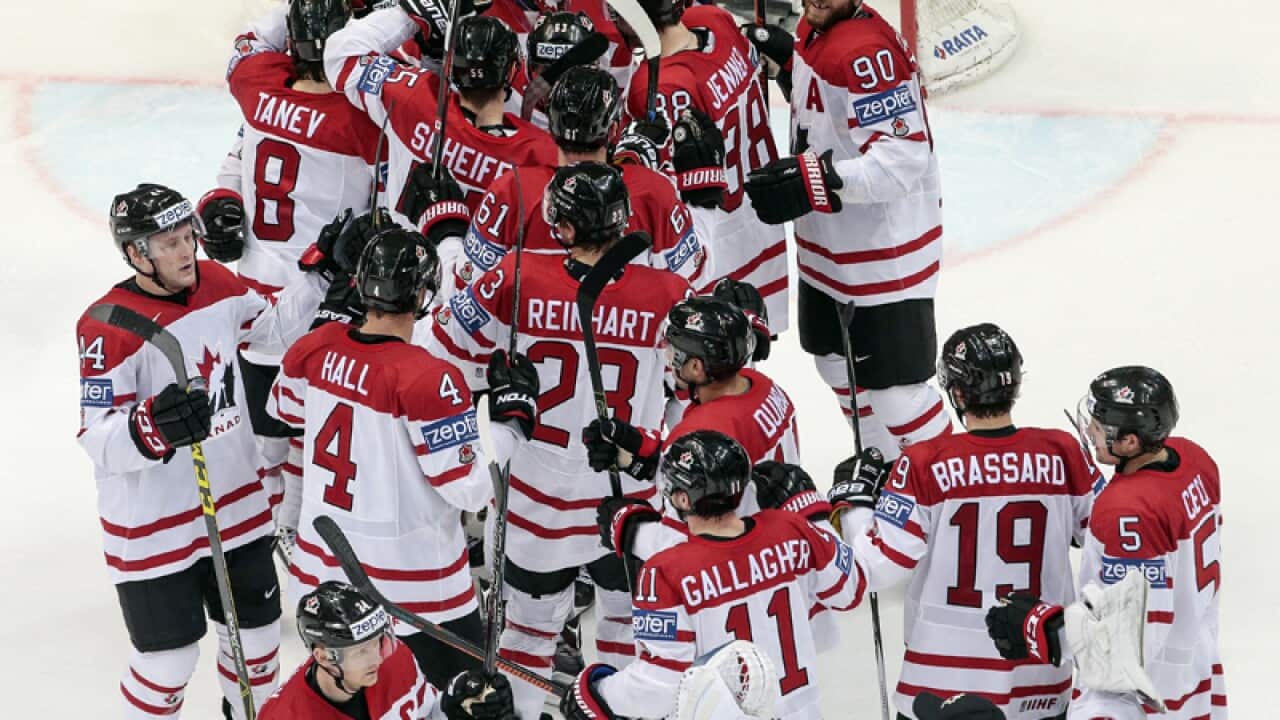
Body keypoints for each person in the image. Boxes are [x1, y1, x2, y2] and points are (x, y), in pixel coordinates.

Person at [425, 161, 694, 720]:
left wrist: (493, 386)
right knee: (628, 627)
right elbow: (686, 398)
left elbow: (442, 343)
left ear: (562, 227)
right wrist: (651, 444)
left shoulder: (515, 274)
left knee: (527, 636)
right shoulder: (670, 292)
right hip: (625, 505)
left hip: (531, 502)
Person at [77, 183, 337, 719]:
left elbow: (271, 333)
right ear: (135, 254)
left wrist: (320, 273)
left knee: (259, 655)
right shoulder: (107, 326)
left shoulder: (218, 283)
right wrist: (151, 428)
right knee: (166, 667)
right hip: (153, 525)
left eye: (184, 236)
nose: (184, 252)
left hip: (237, 508)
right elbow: (96, 438)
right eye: (166, 243)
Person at [268, 225, 541, 690]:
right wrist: (509, 423)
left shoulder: (316, 345)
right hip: (415, 587)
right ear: (423, 294)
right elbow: (470, 488)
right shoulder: (430, 378)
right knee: (465, 700)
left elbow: (283, 409)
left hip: (323, 571)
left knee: (357, 700)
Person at [828, 323, 1098, 720]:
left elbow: (877, 567)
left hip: (938, 684)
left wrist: (854, 507)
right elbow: (1109, 536)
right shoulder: (1062, 452)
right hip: (1038, 679)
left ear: (956, 393)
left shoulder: (923, 463)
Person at [201, 0, 385, 560]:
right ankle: (300, 528)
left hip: (253, 292)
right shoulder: (366, 118)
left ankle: (268, 526)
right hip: (326, 294)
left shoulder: (258, 88)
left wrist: (221, 198)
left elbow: (251, 41)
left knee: (268, 428)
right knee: (315, 422)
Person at [742, 0, 949, 457]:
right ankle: (879, 467)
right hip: (828, 248)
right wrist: (790, 65)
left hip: (884, 258)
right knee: (836, 364)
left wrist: (817, 179)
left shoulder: (867, 53)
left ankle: (944, 489)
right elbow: (836, 111)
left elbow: (901, 161)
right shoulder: (816, 28)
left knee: (897, 395)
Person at [560, 431, 867, 720]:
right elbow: (850, 589)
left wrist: (597, 691)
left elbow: (660, 688)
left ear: (682, 499)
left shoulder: (665, 573)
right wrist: (816, 518)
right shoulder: (790, 528)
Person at [986, 366, 1226, 720]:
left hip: (1136, 700)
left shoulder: (1128, 511)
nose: (1090, 432)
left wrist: (1043, 628)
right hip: (1194, 676)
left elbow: (1132, 640)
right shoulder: (1194, 460)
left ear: (1130, 442)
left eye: (1099, 428)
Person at [445, 65, 706, 293]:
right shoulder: (653, 191)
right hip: (623, 346)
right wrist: (700, 198)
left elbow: (465, 283)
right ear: (614, 129)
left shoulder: (512, 190)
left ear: (551, 126)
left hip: (529, 344)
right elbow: (692, 276)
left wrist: (444, 229)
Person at [617, 0, 788, 329]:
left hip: (709, 248)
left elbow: (658, 191)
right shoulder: (716, 21)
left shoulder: (657, 88)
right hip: (759, 227)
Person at [324, 5, 558, 228]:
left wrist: (411, 14)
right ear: (512, 70)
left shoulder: (413, 98)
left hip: (403, 259)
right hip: (478, 269)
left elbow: (341, 53)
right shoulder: (539, 153)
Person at [261, 580, 516, 720]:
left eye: (379, 642)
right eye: (361, 651)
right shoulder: (285, 715)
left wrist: (453, 707)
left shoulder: (394, 660)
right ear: (324, 657)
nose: (377, 658)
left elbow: (424, 715)